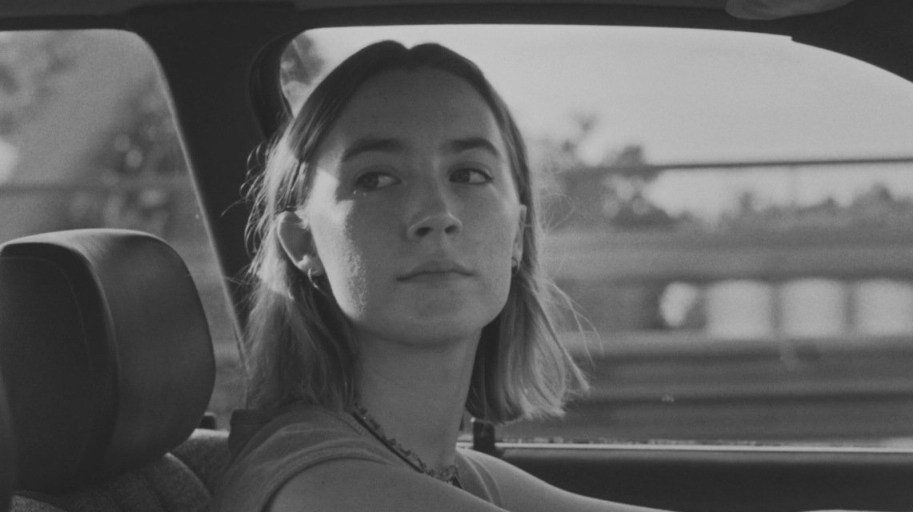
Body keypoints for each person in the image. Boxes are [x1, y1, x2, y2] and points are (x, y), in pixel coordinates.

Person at [212, 40, 673, 512]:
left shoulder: (439, 467)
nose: (436, 214)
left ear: (517, 235)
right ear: (302, 244)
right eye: (375, 179)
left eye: (469, 175)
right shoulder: (322, 489)